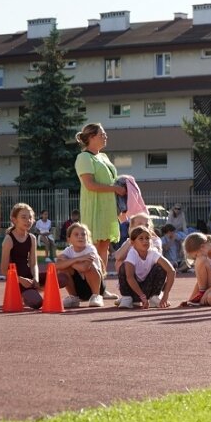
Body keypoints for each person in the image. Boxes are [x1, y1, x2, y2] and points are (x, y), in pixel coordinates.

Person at [74, 123, 126, 290]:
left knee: (104, 246)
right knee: (94, 247)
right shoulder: (84, 158)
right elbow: (89, 184)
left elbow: (111, 179)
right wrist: (114, 188)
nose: (105, 137)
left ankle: (101, 287)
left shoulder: (103, 157)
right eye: (102, 134)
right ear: (91, 137)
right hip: (95, 207)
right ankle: (90, 287)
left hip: (108, 208)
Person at [117, 225, 175, 309]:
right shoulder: (132, 253)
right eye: (141, 238)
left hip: (148, 290)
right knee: (123, 267)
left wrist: (165, 296)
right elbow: (129, 277)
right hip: (134, 290)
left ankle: (154, 297)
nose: (145, 241)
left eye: (147, 238)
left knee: (161, 267)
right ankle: (127, 298)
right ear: (133, 243)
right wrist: (142, 297)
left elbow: (171, 271)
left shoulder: (153, 253)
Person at [0, 203, 43, 310]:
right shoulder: (9, 240)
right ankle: (25, 295)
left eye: (30, 218)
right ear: (14, 220)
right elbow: (4, 270)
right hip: (17, 280)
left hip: (29, 276)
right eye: (23, 217)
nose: (28, 220)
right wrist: (20, 280)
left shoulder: (32, 238)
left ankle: (34, 290)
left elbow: (34, 263)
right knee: (37, 303)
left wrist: (36, 278)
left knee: (61, 278)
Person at [56, 223, 105, 308]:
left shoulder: (90, 249)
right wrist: (77, 259)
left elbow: (84, 268)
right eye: (76, 234)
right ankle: (73, 298)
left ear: (87, 238)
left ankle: (96, 296)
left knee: (90, 266)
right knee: (63, 270)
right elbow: (57, 265)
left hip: (96, 287)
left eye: (83, 234)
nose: (80, 236)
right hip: (79, 289)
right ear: (69, 239)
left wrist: (68, 262)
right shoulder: (68, 251)